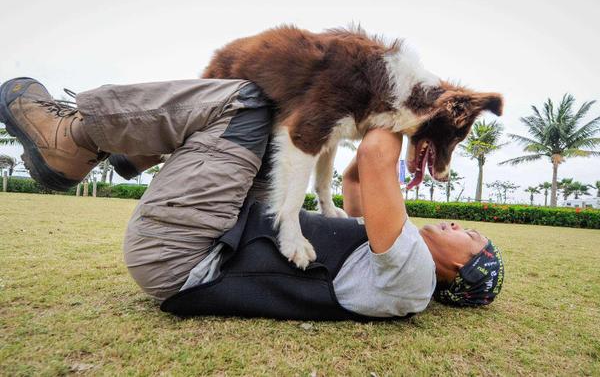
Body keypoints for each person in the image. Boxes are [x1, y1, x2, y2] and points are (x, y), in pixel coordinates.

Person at [0, 77, 504, 320]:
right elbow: (356, 184)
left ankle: (75, 138)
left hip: (186, 255)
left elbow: (374, 154)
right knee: (287, 114)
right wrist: (410, 143)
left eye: (470, 237)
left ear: (461, 273)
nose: (458, 227)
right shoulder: (393, 257)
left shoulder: (413, 279)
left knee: (249, 99)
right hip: (206, 234)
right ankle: (131, 151)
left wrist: (425, 108)